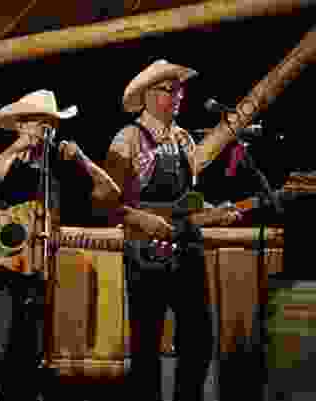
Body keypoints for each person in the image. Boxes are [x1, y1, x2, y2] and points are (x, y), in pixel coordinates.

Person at [103, 59, 241, 401]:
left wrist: (214, 212)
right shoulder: (127, 139)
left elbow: (188, 200)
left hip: (188, 250)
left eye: (181, 89)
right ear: (148, 96)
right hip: (146, 255)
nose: (179, 95)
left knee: (199, 341)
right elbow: (105, 204)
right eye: (170, 89)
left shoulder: (183, 139)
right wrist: (141, 219)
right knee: (146, 347)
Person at [0, 89, 121, 401]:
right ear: (20, 125)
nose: (44, 129)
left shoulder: (60, 164)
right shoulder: (6, 162)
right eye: (37, 122)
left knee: (27, 363)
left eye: (49, 123)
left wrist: (82, 159)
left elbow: (110, 192)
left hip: (39, 274)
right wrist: (19, 146)